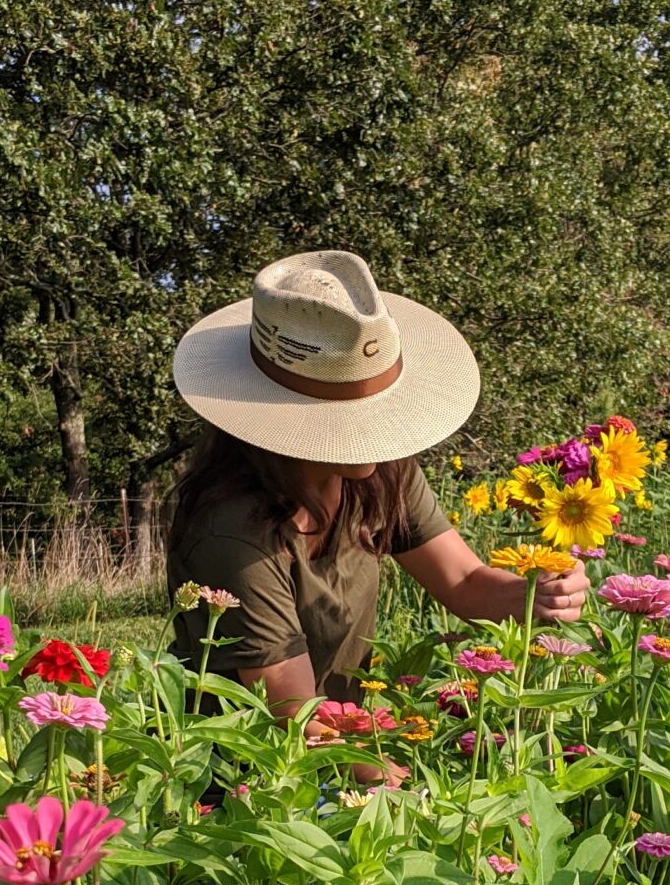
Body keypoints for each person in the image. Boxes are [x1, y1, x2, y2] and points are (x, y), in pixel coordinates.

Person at [166, 250, 587, 713]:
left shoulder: (380, 474)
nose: (368, 433)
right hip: (251, 773)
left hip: (349, 744)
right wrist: (407, 773)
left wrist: (537, 594)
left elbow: (464, 582)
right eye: (345, 409)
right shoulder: (232, 532)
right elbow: (293, 717)